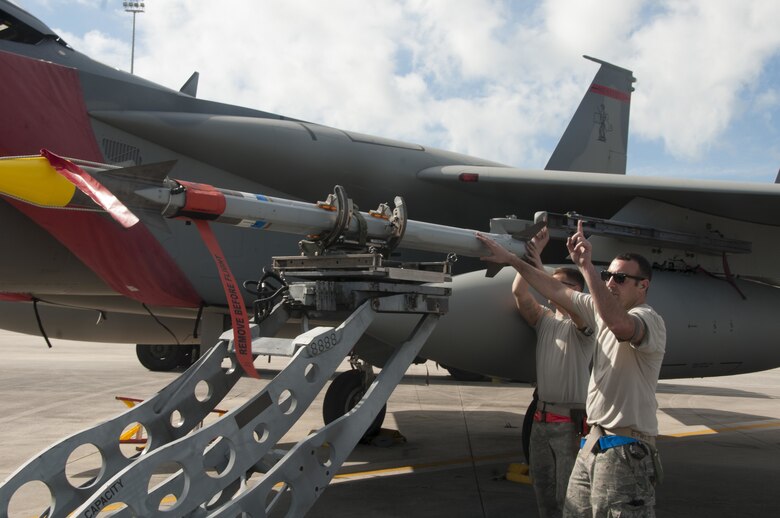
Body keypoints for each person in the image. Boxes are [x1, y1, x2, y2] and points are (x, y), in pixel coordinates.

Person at [477, 220, 666, 518]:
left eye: (620, 278)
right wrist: (512, 259)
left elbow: (620, 325)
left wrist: (588, 267)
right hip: (594, 442)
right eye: (608, 276)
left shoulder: (648, 318)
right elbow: (552, 288)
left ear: (644, 285)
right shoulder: (595, 311)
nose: (611, 283)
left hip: (627, 448)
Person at [515, 228, 595, 518]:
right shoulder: (544, 321)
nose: (551, 289)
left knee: (570, 500)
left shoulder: (586, 324)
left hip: (570, 425)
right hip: (540, 422)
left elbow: (568, 305)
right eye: (552, 285)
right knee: (544, 493)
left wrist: (541, 271)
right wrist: (528, 259)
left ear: (579, 293)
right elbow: (519, 292)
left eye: (563, 285)